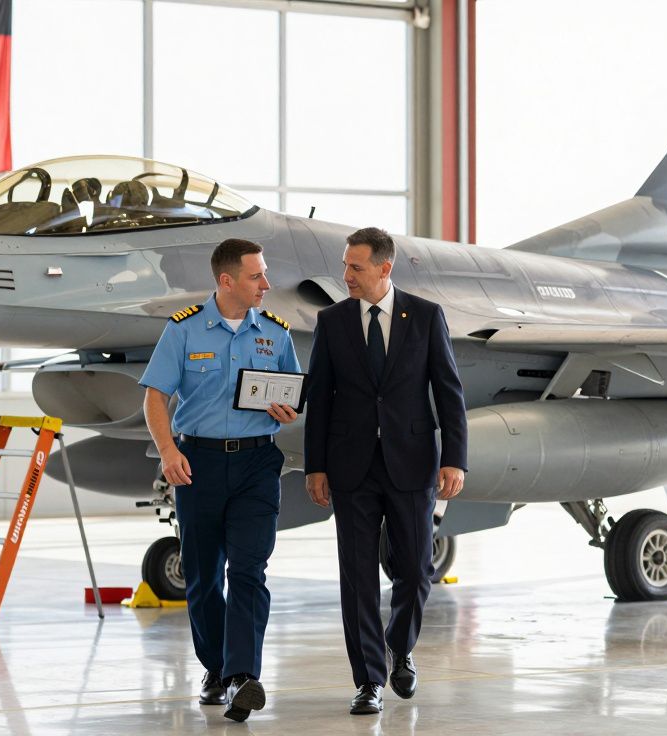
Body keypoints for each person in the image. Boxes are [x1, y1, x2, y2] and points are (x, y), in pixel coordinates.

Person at [304, 227, 468, 715]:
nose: (346, 276)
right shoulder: (332, 321)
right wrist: (316, 467)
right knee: (356, 578)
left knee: (416, 569)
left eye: (356, 267)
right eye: (345, 265)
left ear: (384, 268)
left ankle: (400, 648)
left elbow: (449, 392)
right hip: (351, 467)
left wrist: (454, 457)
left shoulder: (425, 316)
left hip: (411, 463)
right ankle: (369, 679)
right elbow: (322, 400)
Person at [139, 238, 300, 723]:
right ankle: (216, 667)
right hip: (198, 464)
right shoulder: (184, 330)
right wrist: (168, 451)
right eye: (257, 276)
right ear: (226, 280)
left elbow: (293, 397)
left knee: (249, 571)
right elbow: (154, 397)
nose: (266, 285)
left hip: (257, 464)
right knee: (204, 578)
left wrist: (287, 410)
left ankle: (242, 677)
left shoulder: (275, 333)